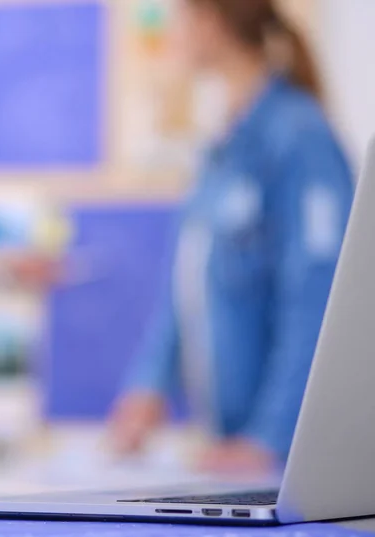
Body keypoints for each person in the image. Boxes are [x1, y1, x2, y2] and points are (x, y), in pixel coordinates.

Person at [109, 0, 355, 473]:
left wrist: (269, 438)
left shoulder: (298, 137)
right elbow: (186, 286)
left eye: (176, 18)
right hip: (231, 443)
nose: (169, 33)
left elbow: (320, 302)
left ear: (210, 22)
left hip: (282, 457)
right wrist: (149, 387)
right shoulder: (222, 149)